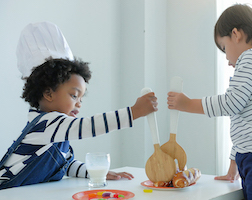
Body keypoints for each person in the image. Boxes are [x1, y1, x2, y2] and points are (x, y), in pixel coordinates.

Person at [0, 22, 158, 190]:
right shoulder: (46, 124)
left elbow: (66, 165)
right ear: (48, 93)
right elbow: (88, 126)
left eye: (81, 98)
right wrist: (134, 112)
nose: (79, 104)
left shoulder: (54, 132)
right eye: (74, 95)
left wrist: (96, 172)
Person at [167, 4, 252, 200]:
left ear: (236, 34)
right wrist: (234, 165)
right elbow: (242, 120)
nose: (227, 59)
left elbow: (231, 103)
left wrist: (188, 104)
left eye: (224, 48)